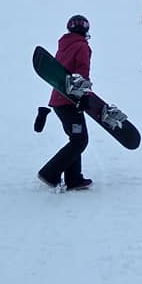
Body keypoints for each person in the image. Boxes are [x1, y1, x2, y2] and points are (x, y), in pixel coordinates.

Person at [38, 15, 94, 191]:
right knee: (80, 140)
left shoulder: (64, 45)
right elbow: (82, 70)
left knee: (76, 138)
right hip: (70, 101)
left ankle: (74, 178)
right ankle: (49, 173)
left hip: (59, 99)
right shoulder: (82, 46)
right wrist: (84, 94)